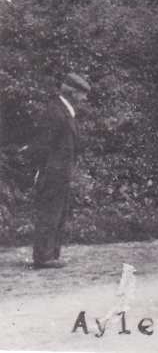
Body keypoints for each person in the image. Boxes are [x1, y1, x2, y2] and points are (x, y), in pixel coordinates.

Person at [30, 72, 89, 269]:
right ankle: (43, 257)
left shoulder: (64, 110)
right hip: (52, 172)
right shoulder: (56, 111)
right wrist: (42, 170)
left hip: (61, 172)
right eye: (82, 94)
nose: (84, 98)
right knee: (49, 213)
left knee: (57, 213)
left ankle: (51, 255)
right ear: (72, 92)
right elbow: (43, 144)